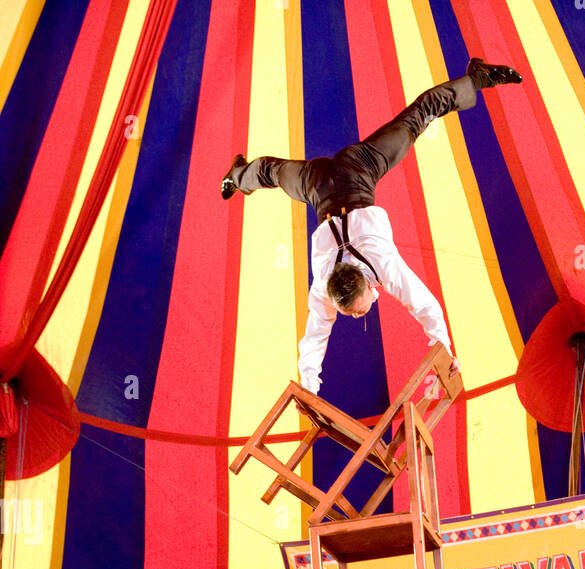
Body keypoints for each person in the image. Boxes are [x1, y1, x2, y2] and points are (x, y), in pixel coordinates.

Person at [221, 59, 522, 395]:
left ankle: (478, 77)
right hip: (325, 180)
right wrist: (308, 388)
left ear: (366, 283)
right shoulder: (325, 287)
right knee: (273, 172)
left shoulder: (380, 264)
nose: (354, 317)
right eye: (351, 313)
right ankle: (237, 174)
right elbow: (315, 336)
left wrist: (445, 348)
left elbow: (423, 304)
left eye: (354, 310)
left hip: (347, 174)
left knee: (418, 118)